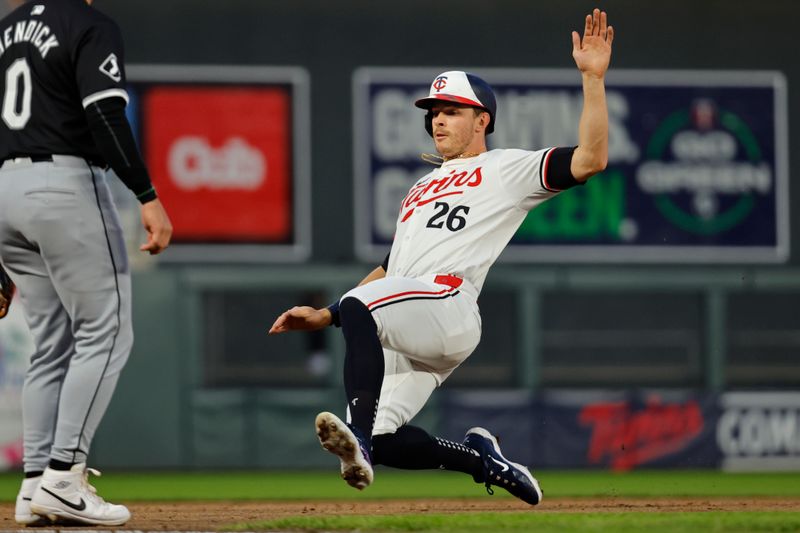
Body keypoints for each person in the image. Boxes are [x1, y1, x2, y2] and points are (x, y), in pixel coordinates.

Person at [270, 8, 614, 505]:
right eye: (434, 112)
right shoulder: (420, 187)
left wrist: (592, 80)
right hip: (410, 321)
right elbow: (390, 272)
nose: (438, 119)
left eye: (451, 110)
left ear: (482, 120)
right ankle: (481, 460)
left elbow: (591, 159)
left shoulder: (506, 168)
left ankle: (357, 440)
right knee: (388, 439)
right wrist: (326, 315)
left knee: (360, 313)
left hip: (448, 303)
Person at [0, 0, 173, 526]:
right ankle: (64, 476)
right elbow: (103, 112)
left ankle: (32, 487)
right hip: (65, 186)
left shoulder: (5, 32)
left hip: (5, 189)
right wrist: (146, 194)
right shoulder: (87, 22)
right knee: (108, 330)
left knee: (50, 342)